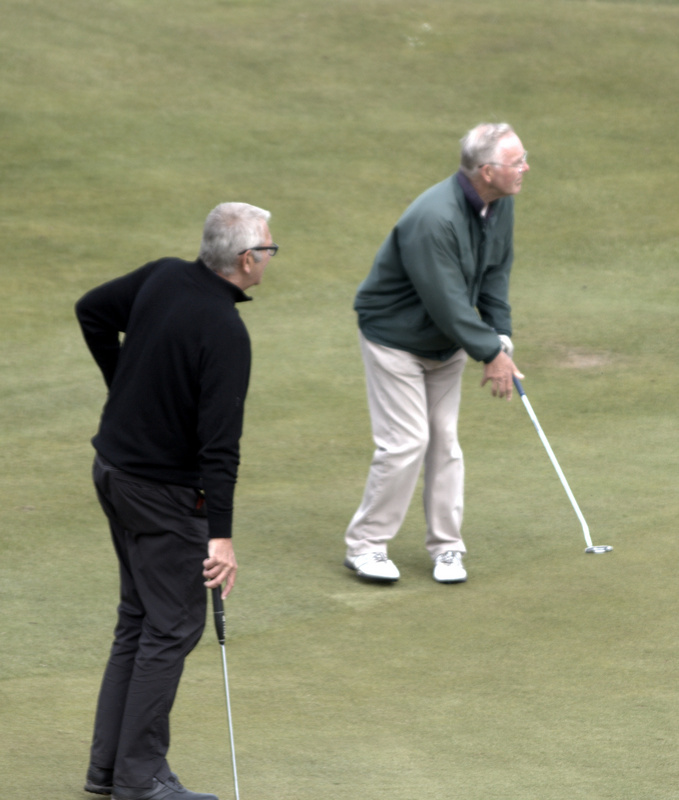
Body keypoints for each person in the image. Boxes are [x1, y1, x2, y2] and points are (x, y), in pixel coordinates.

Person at [75, 202, 278, 800]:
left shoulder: (164, 274)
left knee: (138, 619)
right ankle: (140, 779)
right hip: (160, 494)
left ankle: (109, 770)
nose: (270, 256)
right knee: (171, 628)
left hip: (113, 469)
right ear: (245, 260)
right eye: (268, 249)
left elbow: (92, 311)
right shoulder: (225, 331)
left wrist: (126, 387)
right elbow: (221, 448)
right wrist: (221, 536)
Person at [344, 122, 528, 585]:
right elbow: (444, 299)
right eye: (516, 162)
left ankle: (447, 547)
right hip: (394, 339)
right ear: (486, 171)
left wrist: (500, 338)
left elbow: (495, 273)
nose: (526, 168)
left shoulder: (498, 205)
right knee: (406, 441)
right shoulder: (435, 217)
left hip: (445, 343)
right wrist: (488, 351)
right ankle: (365, 545)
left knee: (444, 441)